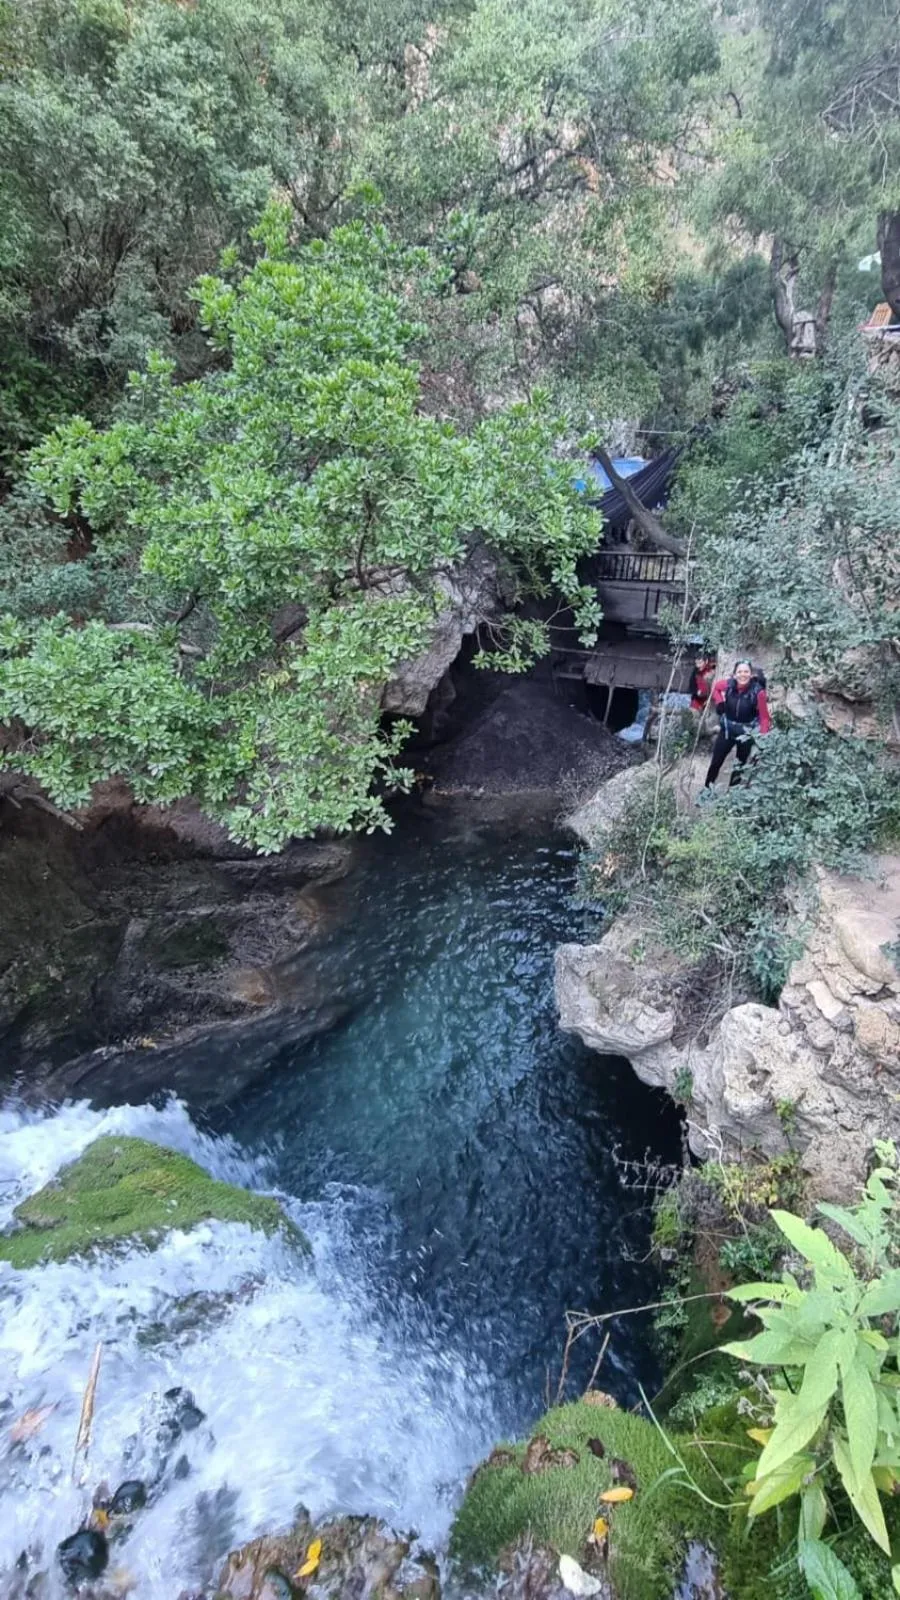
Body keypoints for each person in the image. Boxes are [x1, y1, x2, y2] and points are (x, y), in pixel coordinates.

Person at [704, 660, 771, 789]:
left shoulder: (758, 692)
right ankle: (706, 790)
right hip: (727, 730)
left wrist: (762, 737)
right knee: (716, 762)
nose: (743, 675)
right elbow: (716, 688)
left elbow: (764, 718)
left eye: (746, 672)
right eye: (739, 672)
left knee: (739, 767)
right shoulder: (728, 685)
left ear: (751, 675)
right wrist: (719, 702)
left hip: (746, 733)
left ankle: (732, 797)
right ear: (734, 675)